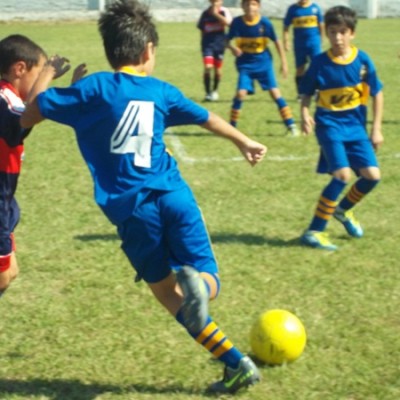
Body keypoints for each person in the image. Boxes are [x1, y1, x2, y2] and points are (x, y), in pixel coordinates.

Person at [21, 0, 267, 393]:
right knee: (206, 276)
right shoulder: (161, 91)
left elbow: (29, 113)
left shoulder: (93, 88)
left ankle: (234, 362)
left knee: (167, 293)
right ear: (148, 50)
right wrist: (243, 140)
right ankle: (205, 295)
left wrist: (52, 74)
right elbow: (206, 117)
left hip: (133, 213)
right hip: (175, 197)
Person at [299, 6, 384, 250]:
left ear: (352, 33)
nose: (337, 37)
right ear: (326, 33)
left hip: (356, 128)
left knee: (372, 176)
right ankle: (314, 231)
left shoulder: (363, 60)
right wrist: (305, 113)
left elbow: (377, 94)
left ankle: (343, 211)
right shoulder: (319, 63)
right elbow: (306, 94)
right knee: (342, 175)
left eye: (342, 32)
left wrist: (376, 129)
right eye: (332, 32)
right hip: (329, 125)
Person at [0, 34, 71, 299]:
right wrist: (48, 74)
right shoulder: (4, 99)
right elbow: (33, 112)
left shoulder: (12, 100)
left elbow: (38, 109)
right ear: (20, 69)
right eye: (38, 72)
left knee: (10, 272)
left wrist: (72, 93)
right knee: (3, 277)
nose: (43, 79)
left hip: (6, 200)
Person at [226, 0, 299, 136]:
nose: (250, 7)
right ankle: (231, 128)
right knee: (240, 94)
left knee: (275, 93)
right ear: (242, 6)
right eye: (247, 4)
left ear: (258, 6)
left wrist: (284, 62)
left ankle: (291, 125)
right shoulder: (237, 22)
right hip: (245, 64)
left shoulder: (265, 23)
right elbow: (226, 39)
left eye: (253, 4)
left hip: (263, 63)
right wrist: (232, 48)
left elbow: (277, 41)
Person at [283, 1, 324, 98]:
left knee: (317, 66)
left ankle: (317, 91)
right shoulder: (293, 9)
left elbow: (321, 25)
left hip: (314, 43)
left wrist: (322, 39)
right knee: (300, 68)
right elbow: (286, 27)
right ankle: (300, 92)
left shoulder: (315, 8)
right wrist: (286, 41)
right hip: (299, 44)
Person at [197, 0, 232, 101]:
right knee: (208, 66)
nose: (215, 3)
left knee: (218, 70)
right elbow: (202, 30)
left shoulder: (224, 11)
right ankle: (208, 93)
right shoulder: (205, 13)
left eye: (217, 1)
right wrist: (202, 45)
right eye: (213, 1)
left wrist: (216, 14)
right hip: (207, 45)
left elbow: (228, 23)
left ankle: (215, 91)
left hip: (220, 44)